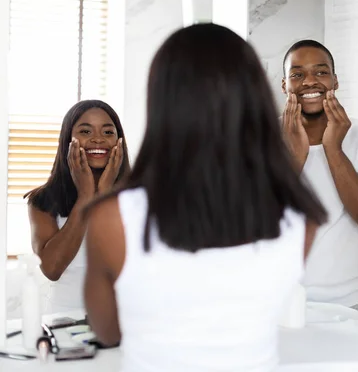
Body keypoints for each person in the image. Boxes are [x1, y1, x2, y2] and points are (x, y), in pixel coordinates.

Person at [83, 23, 327, 372]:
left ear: (162, 103)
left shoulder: (112, 219)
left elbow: (108, 332)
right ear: (256, 100)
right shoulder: (299, 217)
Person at [281, 40, 358, 315]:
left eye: (321, 72)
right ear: (284, 85)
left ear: (335, 81)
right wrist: (294, 156)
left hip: (348, 304)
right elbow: (253, 225)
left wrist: (333, 148)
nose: (309, 82)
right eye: (297, 74)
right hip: (277, 304)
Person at [25, 100, 130, 313]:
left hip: (126, 319)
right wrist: (85, 198)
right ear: (68, 141)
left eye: (108, 132)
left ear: (119, 141)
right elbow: (52, 269)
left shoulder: (137, 197)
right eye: (85, 130)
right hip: (64, 323)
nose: (98, 139)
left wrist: (104, 196)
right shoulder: (42, 200)